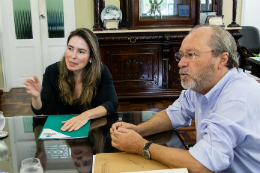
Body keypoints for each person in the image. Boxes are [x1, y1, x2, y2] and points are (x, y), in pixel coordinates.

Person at [110, 25, 260, 173]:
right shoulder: (202, 84)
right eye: (181, 55)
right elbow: (174, 114)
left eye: (191, 54)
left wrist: (140, 146)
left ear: (222, 59)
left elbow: (202, 165)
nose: (181, 63)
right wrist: (138, 130)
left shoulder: (238, 98)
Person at [24, 28, 118, 132]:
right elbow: (39, 111)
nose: (73, 56)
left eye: (81, 51)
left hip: (94, 129)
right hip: (65, 128)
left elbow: (112, 103)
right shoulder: (52, 71)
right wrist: (36, 97)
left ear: (91, 57)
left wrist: (85, 116)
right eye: (70, 48)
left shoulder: (102, 72)